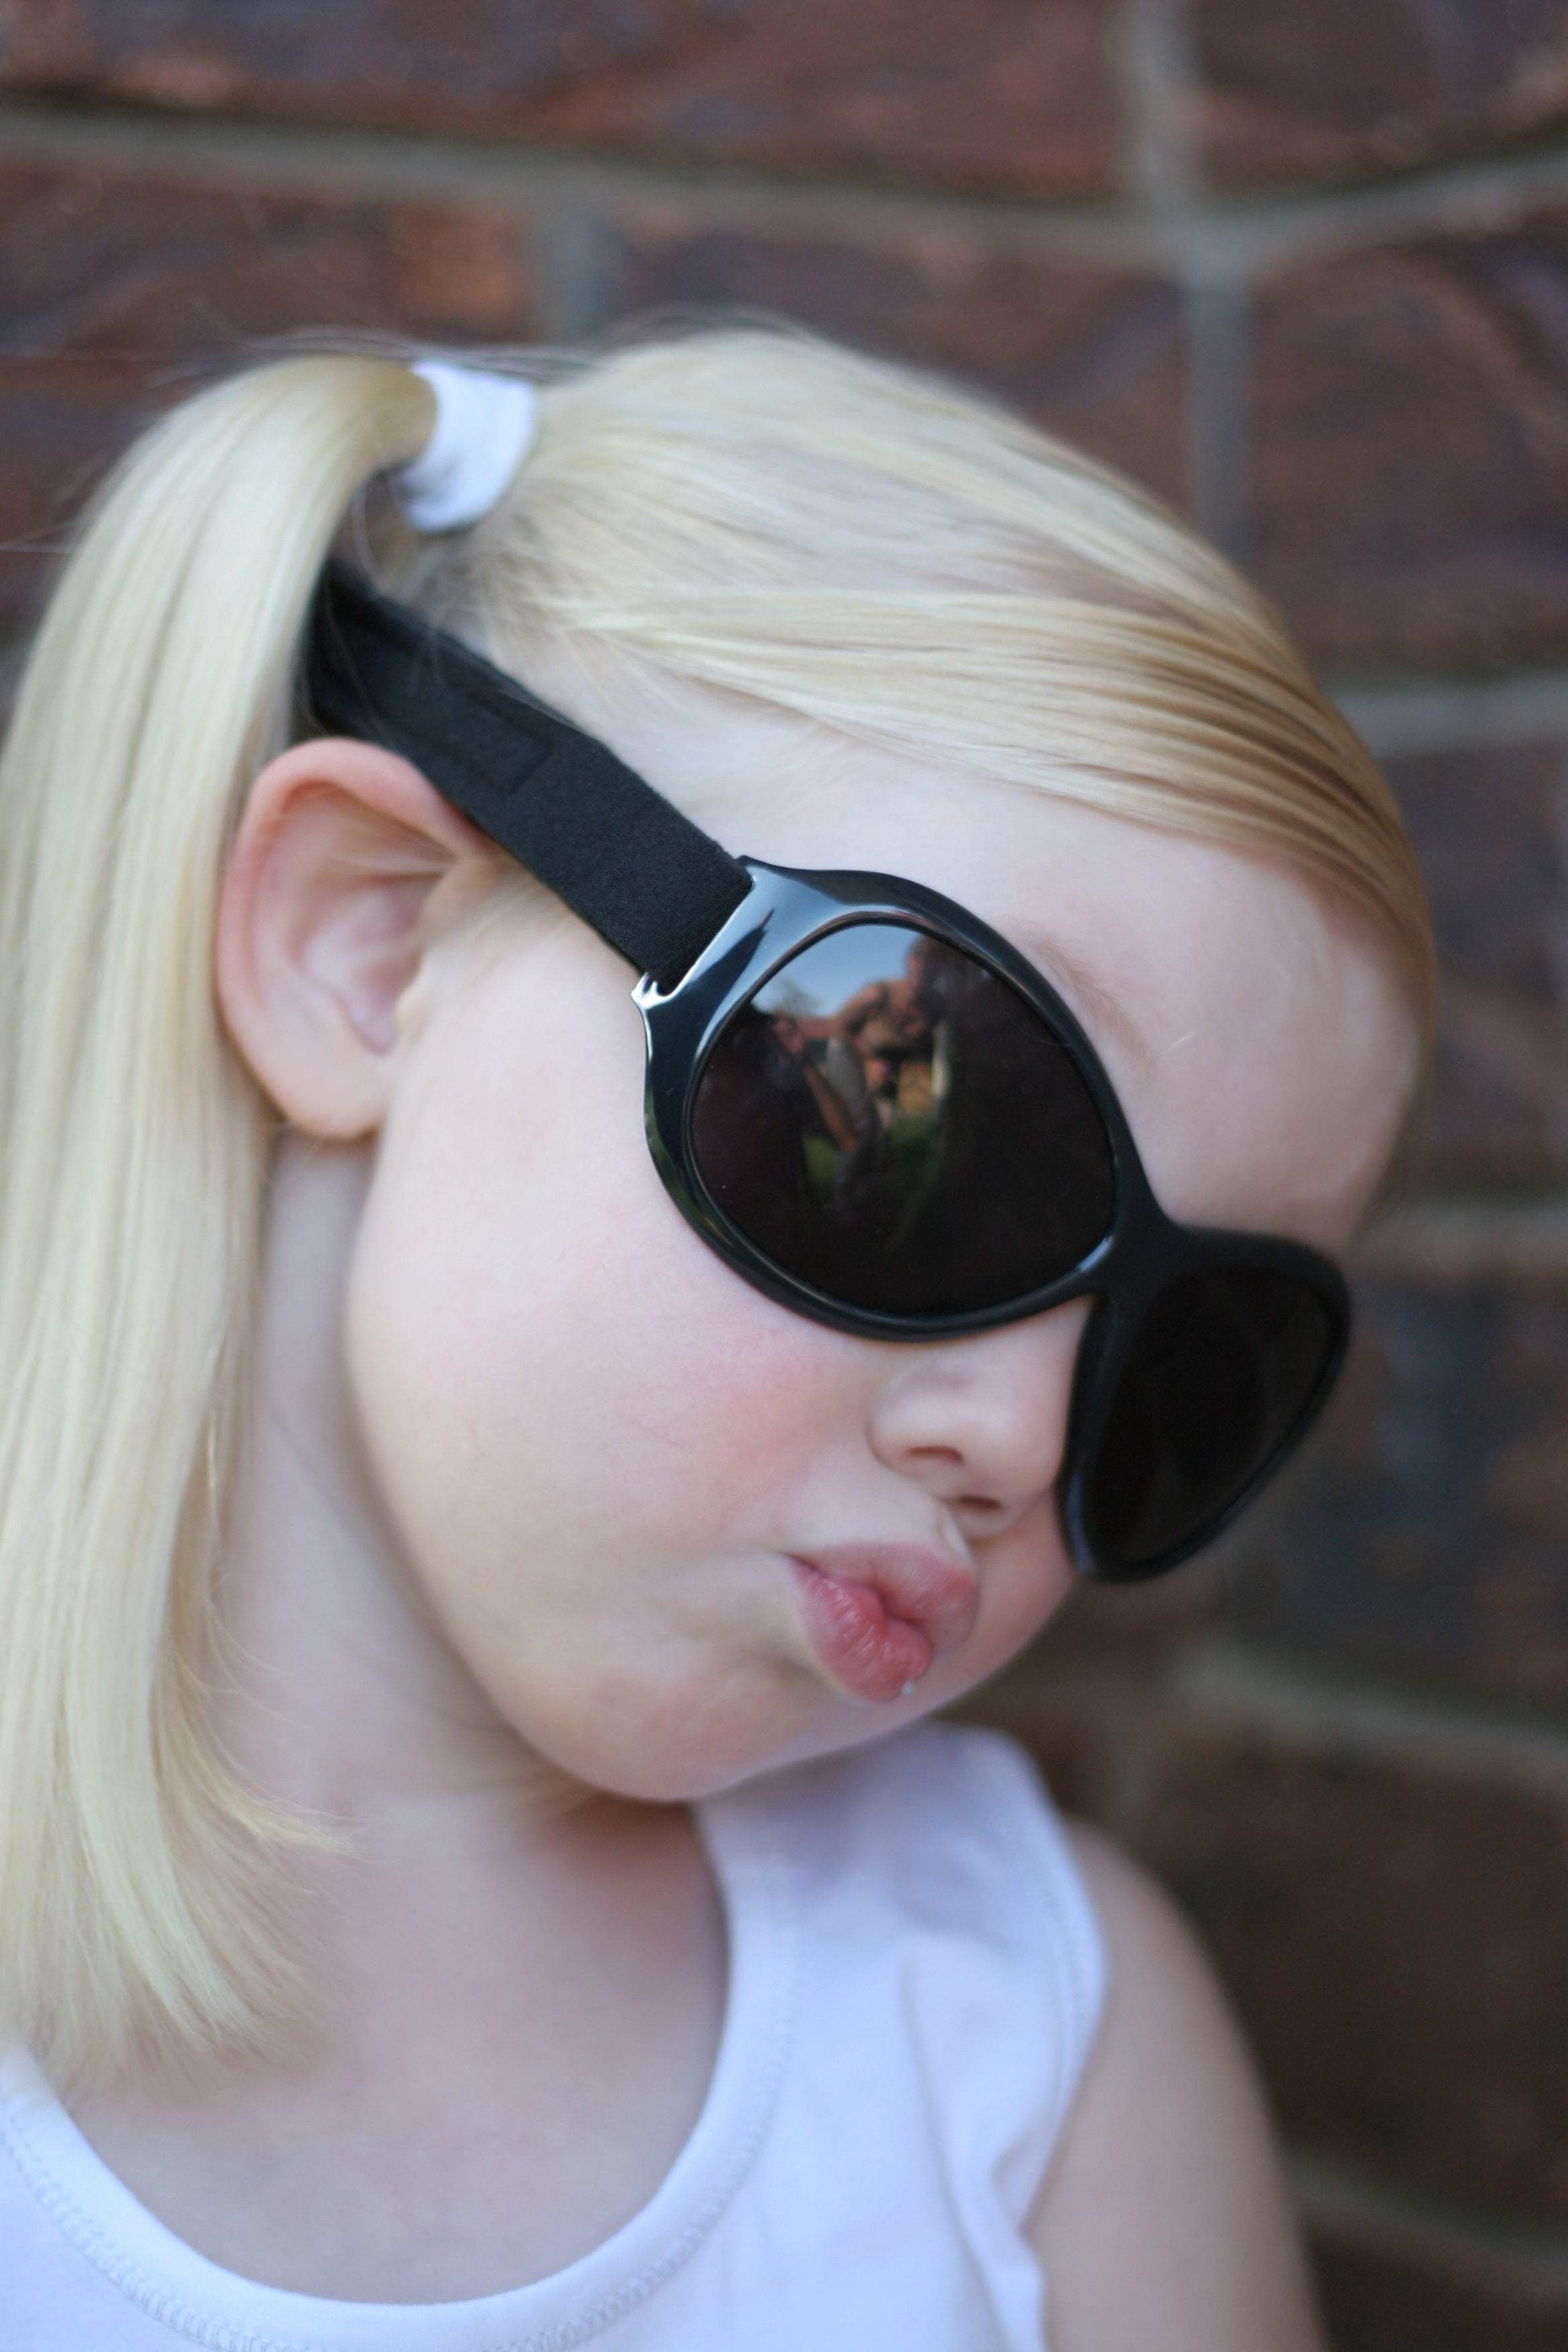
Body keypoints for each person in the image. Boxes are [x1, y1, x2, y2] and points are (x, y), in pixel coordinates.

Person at [0, 326, 1433, 2350]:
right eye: (924, 1138)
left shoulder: (1034, 2044)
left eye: (1184, 1368)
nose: (1021, 1439)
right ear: (367, 942)